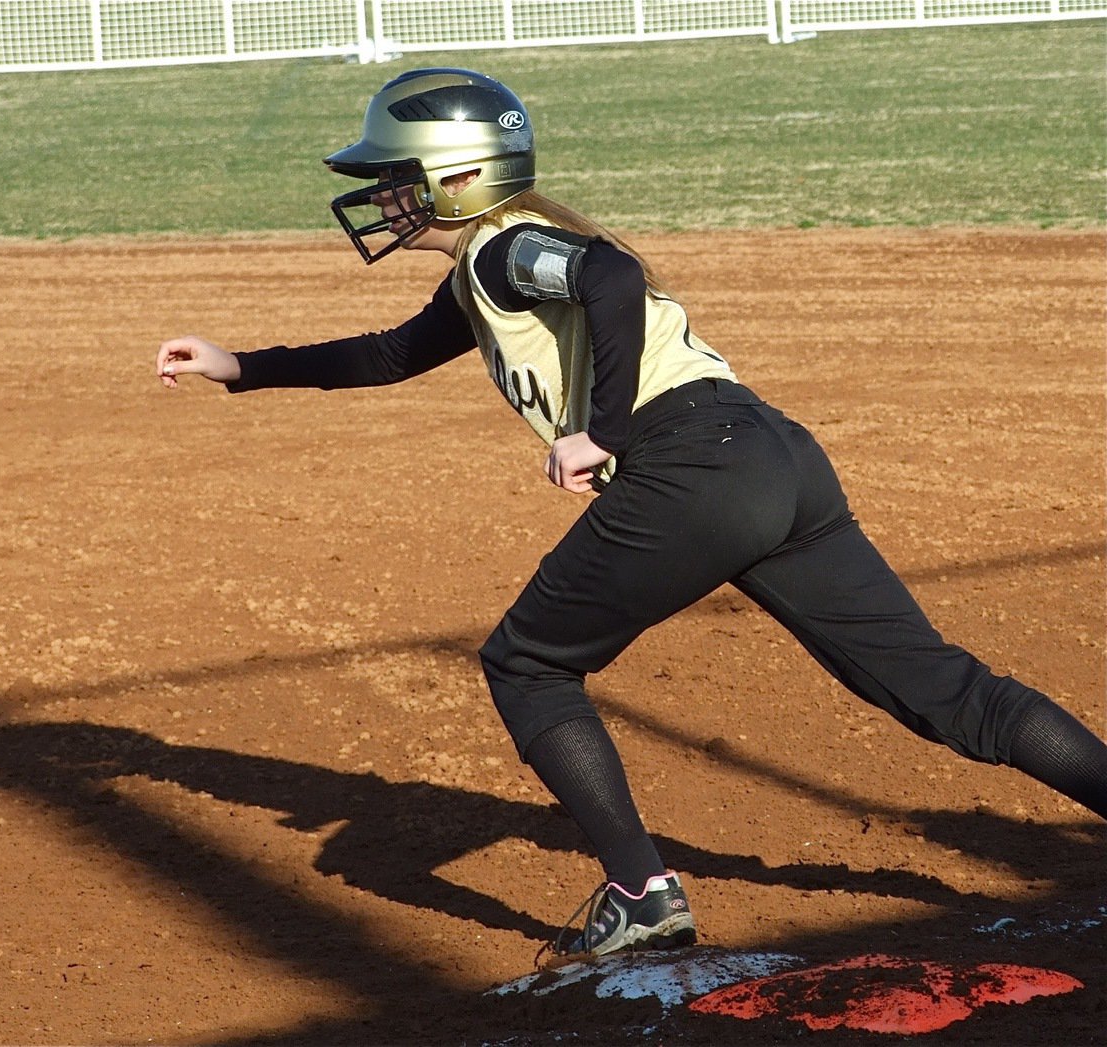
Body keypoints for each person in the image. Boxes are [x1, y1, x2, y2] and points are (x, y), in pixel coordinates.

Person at [157, 68, 1107, 959]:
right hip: (774, 457)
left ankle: (642, 894)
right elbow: (388, 354)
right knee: (947, 689)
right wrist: (241, 365)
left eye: (398, 178)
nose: (384, 197)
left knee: (526, 661)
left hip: (689, 468)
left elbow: (605, 275)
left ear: (457, 180)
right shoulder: (481, 272)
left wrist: (596, 431)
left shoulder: (504, 246)